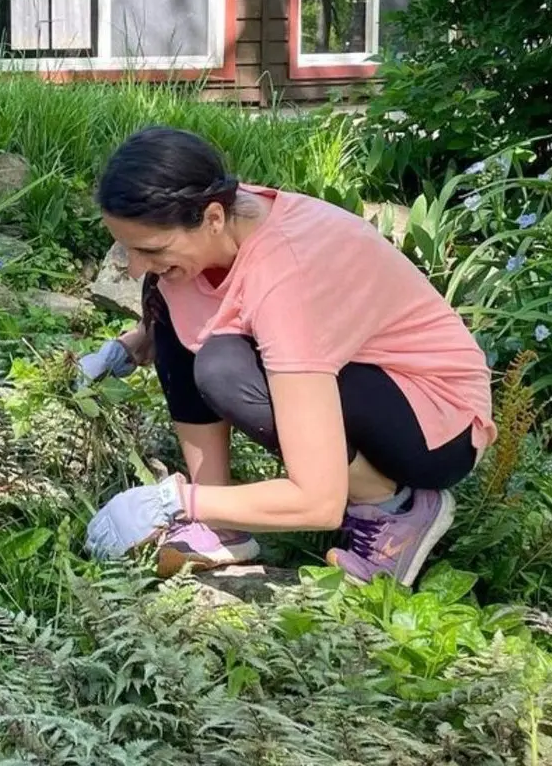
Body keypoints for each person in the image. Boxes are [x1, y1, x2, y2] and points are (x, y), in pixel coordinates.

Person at [80, 127, 494, 587]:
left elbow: (317, 501)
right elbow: (195, 303)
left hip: (433, 421)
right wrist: (137, 342)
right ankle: (221, 525)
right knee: (172, 294)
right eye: (127, 249)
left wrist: (174, 501)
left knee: (223, 369)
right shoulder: (220, 217)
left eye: (149, 249)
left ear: (213, 217)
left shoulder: (288, 278)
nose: (134, 265)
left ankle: (394, 510)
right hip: (358, 372)